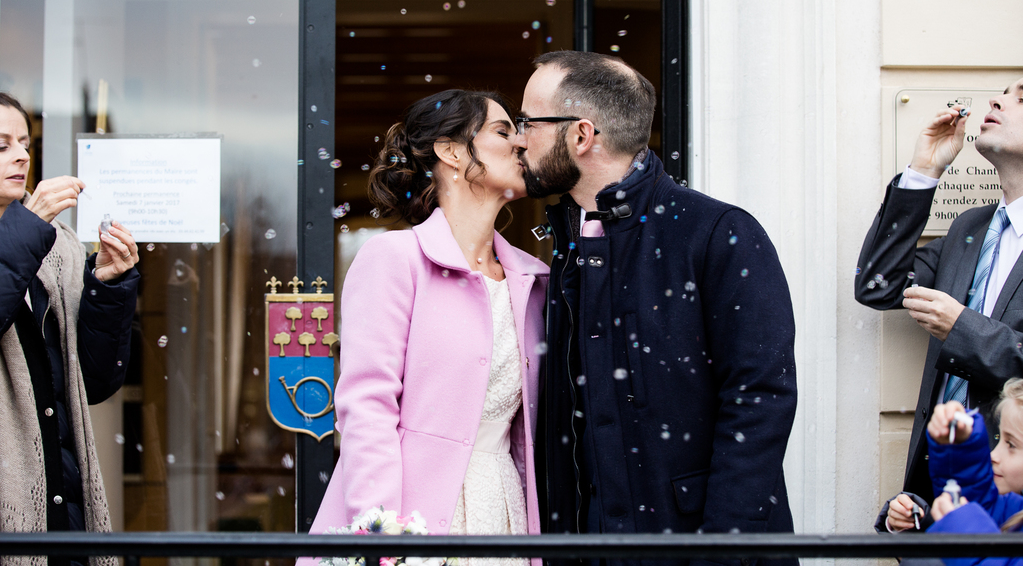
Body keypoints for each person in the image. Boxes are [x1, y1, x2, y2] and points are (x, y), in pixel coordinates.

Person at [512, 51, 798, 565]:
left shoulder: (719, 233)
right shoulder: (567, 239)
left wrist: (721, 548)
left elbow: (760, 398)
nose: (518, 137)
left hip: (692, 546)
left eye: (529, 122)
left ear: (581, 135)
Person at [305, 90, 549, 566]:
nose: (521, 142)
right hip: (410, 520)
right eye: (503, 131)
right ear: (451, 151)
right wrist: (382, 535)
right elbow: (367, 407)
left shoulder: (533, 281)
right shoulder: (393, 260)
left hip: (505, 514)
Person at [856, 79, 1023, 510]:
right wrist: (923, 170)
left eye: (1020, 97)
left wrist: (961, 328)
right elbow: (878, 285)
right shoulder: (971, 227)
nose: (997, 99)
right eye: (1002, 92)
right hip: (937, 488)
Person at [0, 92, 139, 565]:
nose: (20, 155)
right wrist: (26, 231)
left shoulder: (58, 249)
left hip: (63, 509)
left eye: (24, 142)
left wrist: (108, 285)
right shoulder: (35, 238)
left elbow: (94, 382)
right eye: (1, 146)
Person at [919, 379, 1023, 566]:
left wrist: (966, 541)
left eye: (1011, 444)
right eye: (1000, 438)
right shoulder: (1015, 511)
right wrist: (960, 447)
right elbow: (981, 507)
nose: (993, 455)